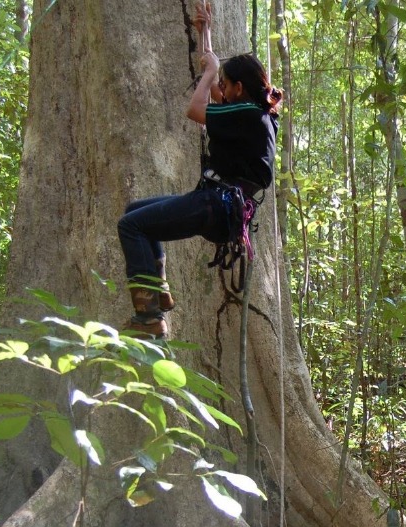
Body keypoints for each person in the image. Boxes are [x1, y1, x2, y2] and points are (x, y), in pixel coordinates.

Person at [117, 0, 282, 338]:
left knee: (131, 226)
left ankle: (148, 318)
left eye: (225, 83)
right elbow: (216, 79)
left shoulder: (246, 114)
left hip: (217, 205)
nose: (219, 88)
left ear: (238, 88)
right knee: (136, 213)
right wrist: (204, 32)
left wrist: (208, 73)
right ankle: (157, 289)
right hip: (218, 203)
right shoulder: (253, 113)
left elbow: (196, 109)